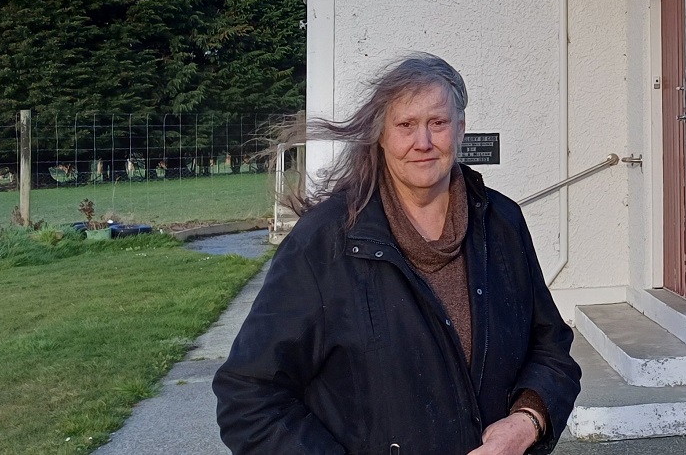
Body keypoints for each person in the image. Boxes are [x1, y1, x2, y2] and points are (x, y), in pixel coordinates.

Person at [215, 53, 580, 454]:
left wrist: (528, 420)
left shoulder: (502, 223)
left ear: (460, 130)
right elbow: (249, 396)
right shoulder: (326, 241)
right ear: (382, 135)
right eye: (405, 125)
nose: (422, 143)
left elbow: (550, 348)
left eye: (437, 123)